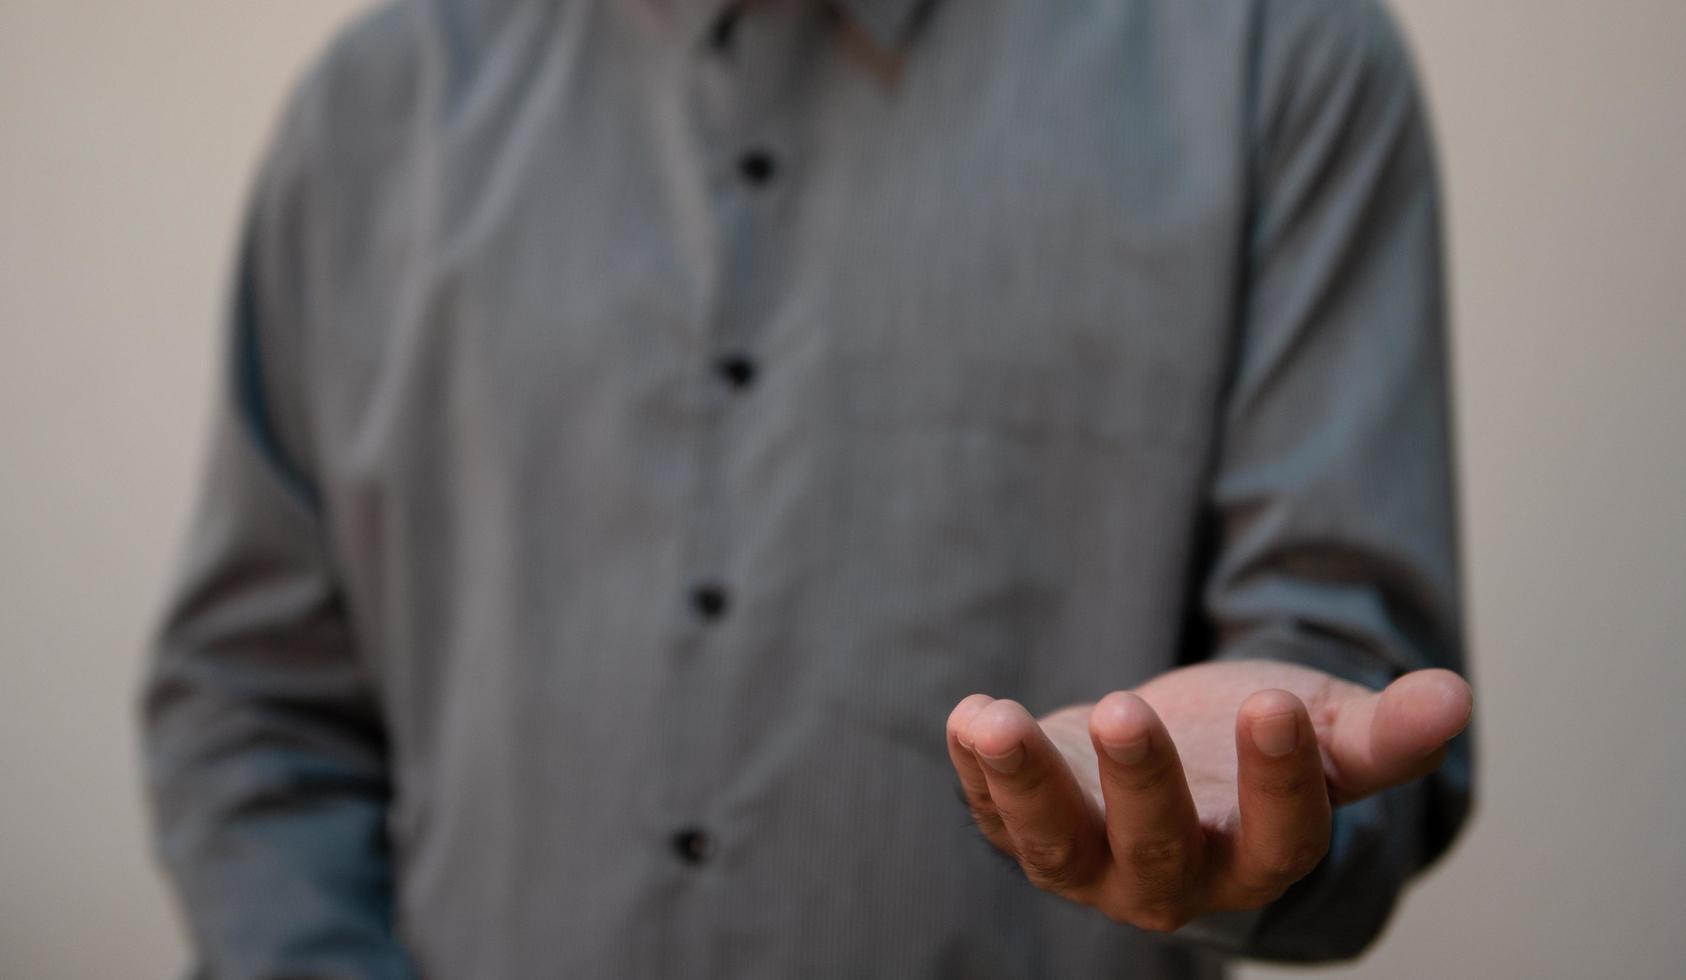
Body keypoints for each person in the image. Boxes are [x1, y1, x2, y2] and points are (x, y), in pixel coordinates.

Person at [141, 0, 1474, 977]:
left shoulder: (1275, 57)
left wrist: (1247, 812)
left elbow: (1348, 699)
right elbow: (255, 699)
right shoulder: (373, 109)